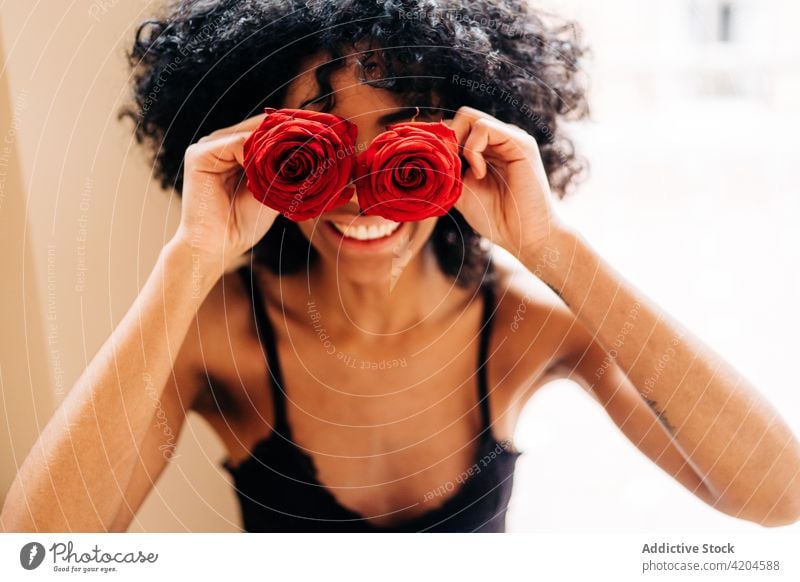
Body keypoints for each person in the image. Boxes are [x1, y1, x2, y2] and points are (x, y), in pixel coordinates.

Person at [2, 0, 799, 532]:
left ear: (469, 138)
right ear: (252, 147)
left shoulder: (524, 326)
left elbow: (777, 494)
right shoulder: (219, 338)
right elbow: (36, 552)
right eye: (316, 145)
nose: (357, 197)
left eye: (395, 141)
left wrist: (551, 247)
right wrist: (191, 260)